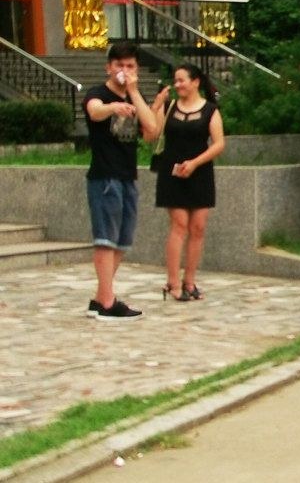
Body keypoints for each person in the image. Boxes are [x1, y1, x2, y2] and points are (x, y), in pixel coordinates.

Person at [83, 41, 157, 320]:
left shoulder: (135, 96)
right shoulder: (98, 93)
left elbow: (151, 129)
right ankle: (107, 301)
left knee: (123, 241)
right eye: (119, 65)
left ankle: (101, 297)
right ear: (109, 67)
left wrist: (134, 93)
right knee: (105, 240)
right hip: (105, 176)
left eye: (130, 66)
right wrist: (113, 107)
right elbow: (94, 110)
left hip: (128, 176)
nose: (124, 70)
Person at [151, 64, 225, 302]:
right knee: (179, 224)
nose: (177, 85)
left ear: (195, 82)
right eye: (176, 80)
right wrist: (156, 106)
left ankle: (190, 281)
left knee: (198, 227)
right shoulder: (169, 106)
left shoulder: (210, 110)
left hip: (200, 171)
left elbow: (219, 144)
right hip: (172, 172)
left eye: (182, 80)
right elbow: (152, 133)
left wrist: (195, 163)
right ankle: (173, 282)